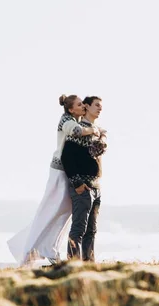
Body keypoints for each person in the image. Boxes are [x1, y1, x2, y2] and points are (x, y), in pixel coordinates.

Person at [7, 94, 100, 266]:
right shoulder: (66, 120)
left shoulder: (76, 119)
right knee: (51, 210)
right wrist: (94, 130)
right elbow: (76, 132)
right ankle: (29, 249)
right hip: (59, 172)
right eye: (80, 105)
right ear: (71, 109)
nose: (83, 107)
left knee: (63, 213)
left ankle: (50, 249)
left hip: (66, 173)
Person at [61, 96, 107, 262]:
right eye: (96, 105)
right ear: (86, 107)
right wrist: (77, 183)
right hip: (83, 187)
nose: (100, 108)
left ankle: (89, 265)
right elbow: (67, 157)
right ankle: (73, 264)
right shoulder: (79, 129)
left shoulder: (98, 131)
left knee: (91, 230)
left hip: (96, 187)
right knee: (79, 229)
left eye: (101, 106)